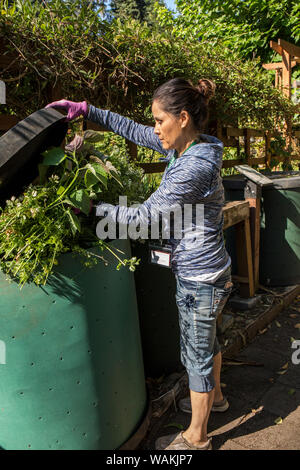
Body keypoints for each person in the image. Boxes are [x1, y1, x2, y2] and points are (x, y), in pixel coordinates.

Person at [45, 77, 233, 451]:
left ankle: (197, 437)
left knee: (196, 354)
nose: (154, 129)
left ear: (181, 118)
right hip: (210, 269)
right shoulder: (190, 145)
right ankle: (219, 399)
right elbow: (133, 130)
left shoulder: (191, 167)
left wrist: (92, 208)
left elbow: (144, 219)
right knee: (207, 343)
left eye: (159, 121)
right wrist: (88, 110)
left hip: (200, 278)